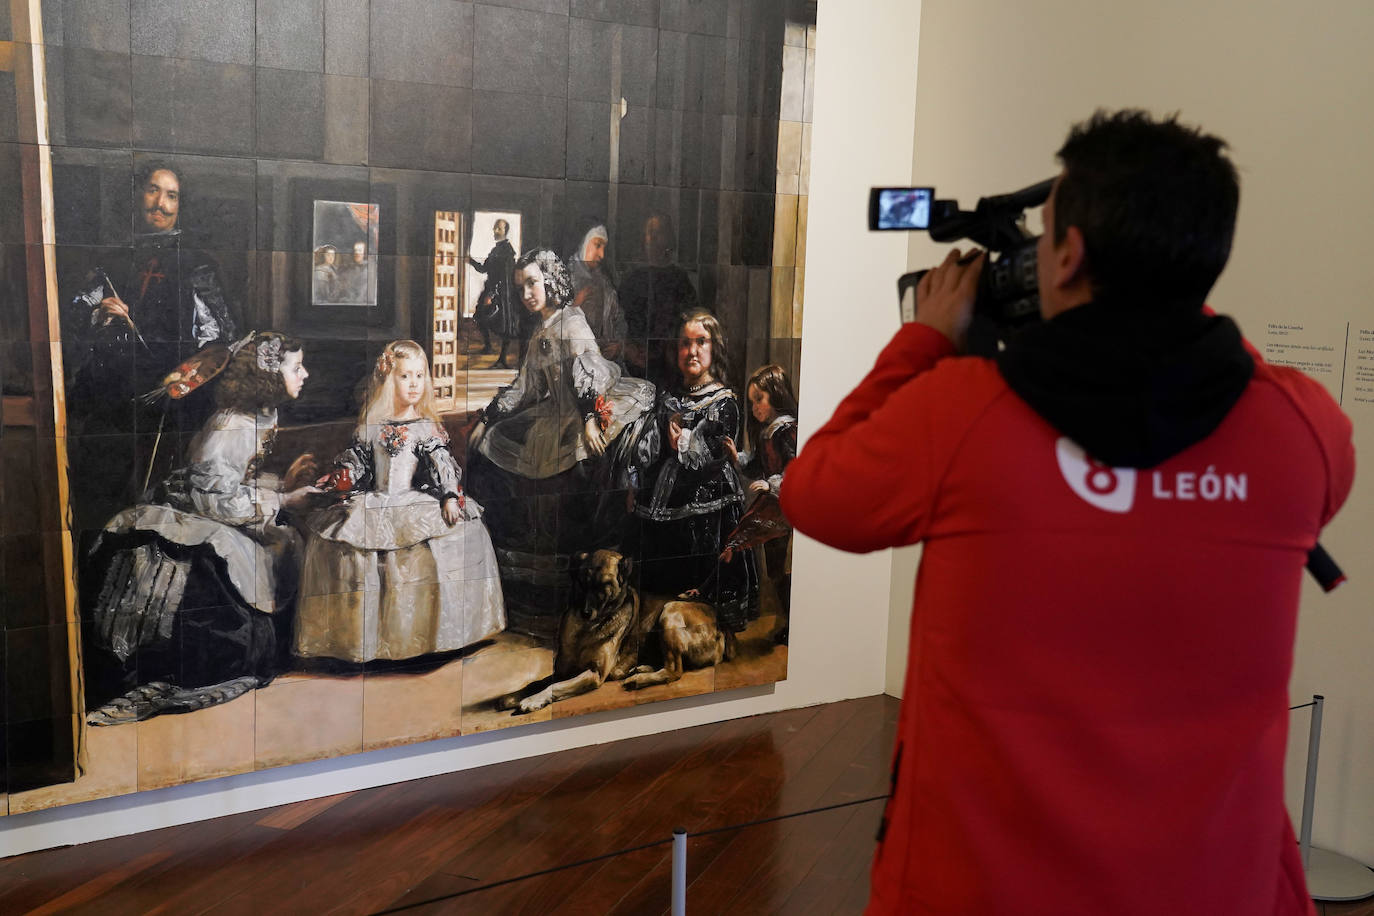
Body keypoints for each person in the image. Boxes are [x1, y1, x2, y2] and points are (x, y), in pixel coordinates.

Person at [781, 110, 1354, 914]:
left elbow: (813, 493)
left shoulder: (957, 412)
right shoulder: (1303, 432)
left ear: (1071, 254)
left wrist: (923, 342)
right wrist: (1189, 316)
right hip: (1216, 887)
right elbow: (1241, 385)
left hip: (975, 889)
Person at [81, 332, 319, 725]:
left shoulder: (260, 415)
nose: (305, 373)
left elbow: (237, 480)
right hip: (193, 517)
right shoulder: (230, 425)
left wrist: (283, 485)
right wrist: (284, 500)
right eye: (296, 367)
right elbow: (213, 498)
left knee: (281, 545)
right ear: (269, 374)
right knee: (242, 569)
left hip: (216, 510)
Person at [466, 248, 654, 634]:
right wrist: (489, 418)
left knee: (579, 463)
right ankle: (515, 552)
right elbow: (526, 388)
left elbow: (593, 372)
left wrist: (589, 418)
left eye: (533, 283)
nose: (527, 294)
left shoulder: (572, 323)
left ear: (551, 281)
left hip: (580, 414)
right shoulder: (539, 332)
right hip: (550, 415)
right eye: (521, 288)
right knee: (491, 443)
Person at [295, 340, 505, 663]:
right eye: (405, 377)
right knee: (343, 544)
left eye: (420, 376)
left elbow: (441, 464)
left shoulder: (424, 427)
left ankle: (427, 639)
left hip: (412, 501)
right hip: (376, 500)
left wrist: (449, 495)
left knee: (457, 538)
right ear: (388, 379)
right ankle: (362, 641)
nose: (414, 385)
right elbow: (358, 462)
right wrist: (341, 476)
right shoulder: (372, 426)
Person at [64, 161, 243, 529]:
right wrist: (100, 314)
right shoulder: (111, 261)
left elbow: (218, 340)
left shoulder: (198, 265)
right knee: (98, 503)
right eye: (152, 190)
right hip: (111, 404)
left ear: (181, 205)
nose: (160, 203)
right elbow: (73, 317)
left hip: (171, 409)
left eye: (171, 195)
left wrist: (176, 373)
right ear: (136, 195)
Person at [633, 308, 759, 639]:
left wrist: (684, 444)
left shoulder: (723, 402)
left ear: (714, 347)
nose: (692, 352)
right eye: (685, 344)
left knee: (698, 574)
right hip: (664, 502)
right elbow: (652, 448)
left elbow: (715, 454)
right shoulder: (670, 397)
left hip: (708, 504)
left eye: (700, 342)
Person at [725, 362, 798, 632]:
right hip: (772, 506)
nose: (755, 407)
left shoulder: (787, 430)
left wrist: (772, 485)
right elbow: (756, 465)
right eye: (752, 401)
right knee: (775, 569)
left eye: (760, 399)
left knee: (785, 567)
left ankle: (794, 623)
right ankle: (789, 622)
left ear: (776, 396)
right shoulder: (767, 432)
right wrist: (737, 458)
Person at [619, 213, 699, 388]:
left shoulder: (679, 279)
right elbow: (622, 320)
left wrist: (663, 351)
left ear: (668, 239)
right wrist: (633, 350)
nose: (653, 238)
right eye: (649, 232)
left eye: (659, 232)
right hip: (635, 363)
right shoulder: (632, 279)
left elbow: (687, 322)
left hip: (669, 364)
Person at [567, 221, 627, 361]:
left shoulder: (605, 283)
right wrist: (574, 305)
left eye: (604, 248)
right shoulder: (563, 278)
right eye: (597, 245)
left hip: (603, 362)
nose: (601, 254)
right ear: (583, 243)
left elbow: (619, 320)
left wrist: (618, 345)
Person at [469, 219, 518, 368]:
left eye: (499, 229)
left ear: (505, 231)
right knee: (479, 316)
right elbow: (484, 269)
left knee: (505, 325)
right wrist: (470, 261)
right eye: (495, 228)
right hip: (491, 290)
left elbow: (505, 277)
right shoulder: (496, 249)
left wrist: (492, 295)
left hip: (502, 294)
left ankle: (502, 359)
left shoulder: (507, 251)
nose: (495, 231)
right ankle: (488, 346)